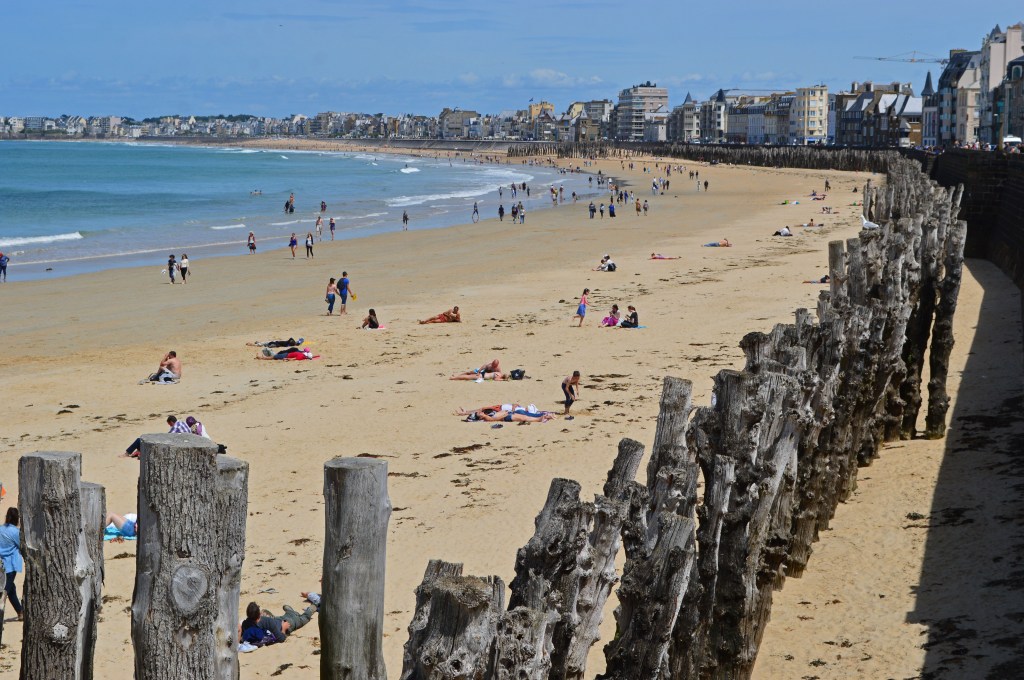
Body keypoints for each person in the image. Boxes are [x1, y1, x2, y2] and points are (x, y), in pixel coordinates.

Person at [240, 600, 317, 645]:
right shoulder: (267, 621)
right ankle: (311, 608)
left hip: (278, 620)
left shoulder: (245, 624)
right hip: (286, 623)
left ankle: (290, 611)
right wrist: (284, 628)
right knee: (304, 618)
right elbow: (281, 638)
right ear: (259, 614)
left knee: (290, 617)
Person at [124, 414, 191, 457]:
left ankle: (128, 453)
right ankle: (138, 451)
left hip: (178, 445)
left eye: (169, 424)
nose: (170, 426)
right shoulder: (182, 422)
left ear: (171, 422)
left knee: (139, 440)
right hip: (185, 442)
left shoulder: (175, 426)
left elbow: (168, 436)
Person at [0, 508, 24, 621]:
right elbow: (21, 546)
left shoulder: (0, 529)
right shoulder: (15, 532)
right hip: (10, 566)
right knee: (5, 591)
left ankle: (20, 612)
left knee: (11, 589)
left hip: (1, 566)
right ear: (17, 518)